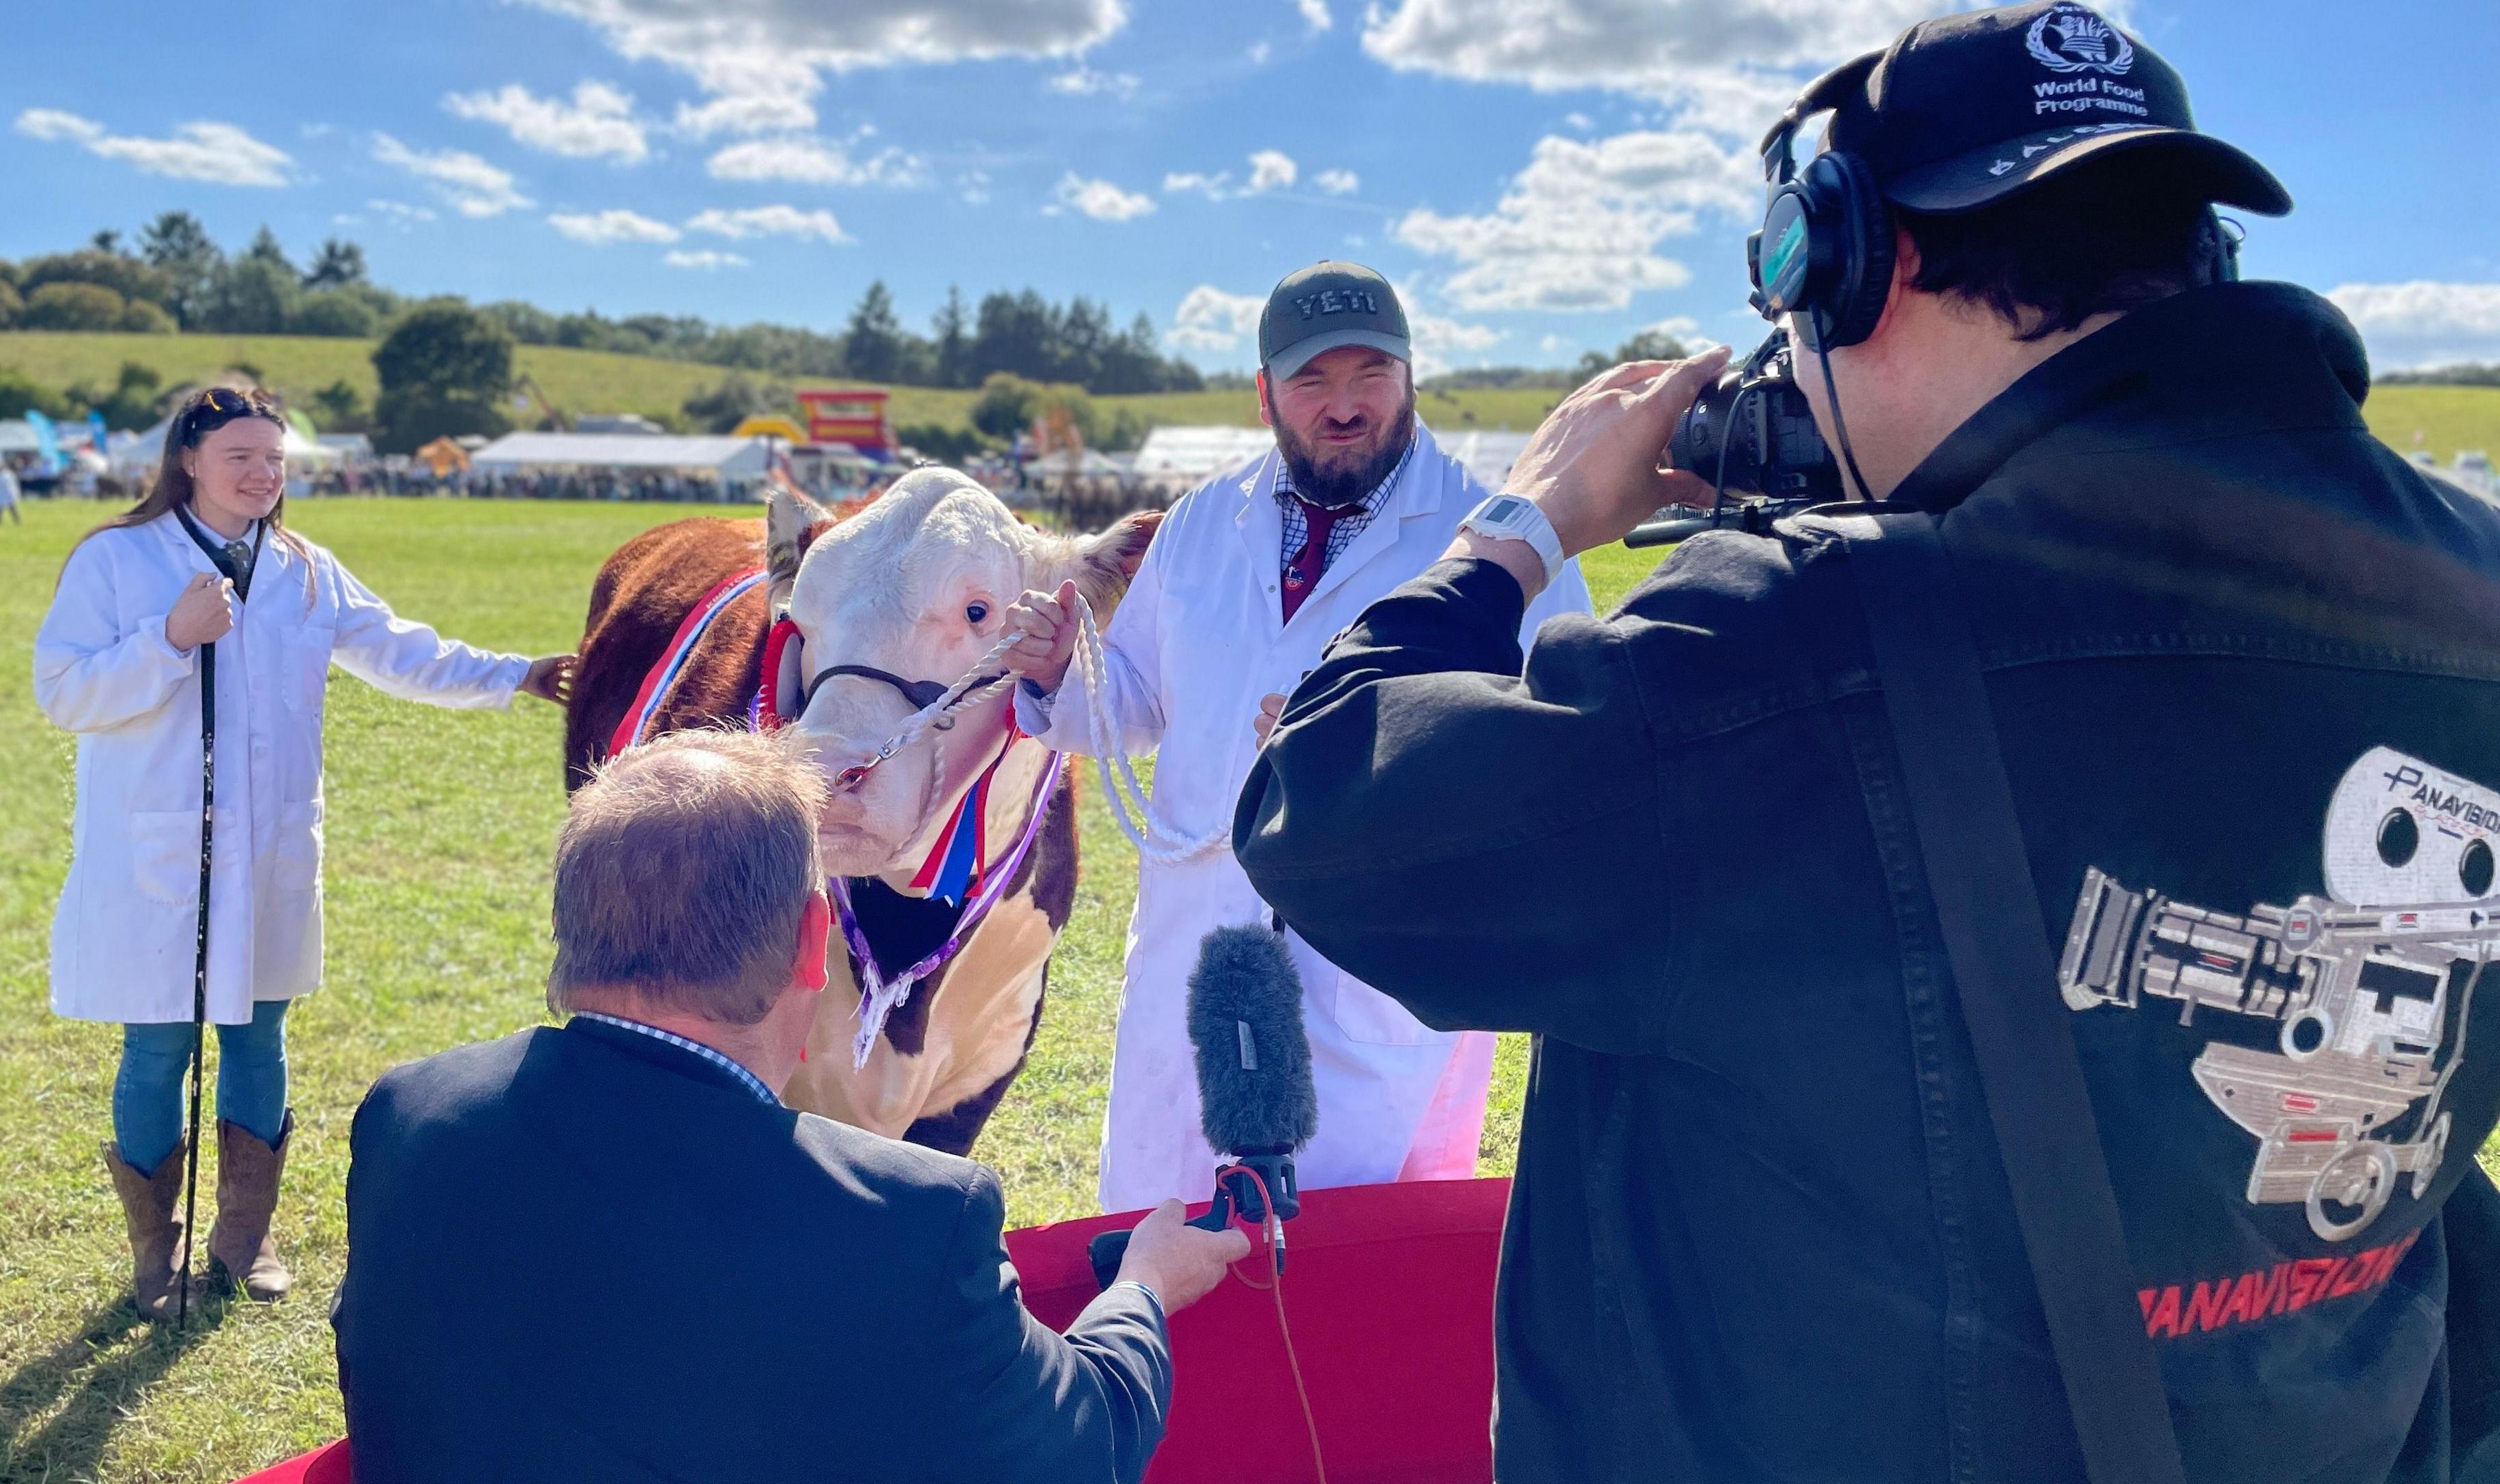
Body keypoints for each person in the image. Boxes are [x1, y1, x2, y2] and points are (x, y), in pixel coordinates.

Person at [1237, 5, 2500, 1479]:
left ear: (1850, 263)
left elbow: (1328, 806)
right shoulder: (2468, 582)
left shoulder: (1795, 643)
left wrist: (1525, 523)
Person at [332, 729, 1247, 1484]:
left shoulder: (407, 1117)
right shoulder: (910, 1223)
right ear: (818, 944)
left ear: (573, 924)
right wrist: (1145, 1286)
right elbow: (1076, 1455)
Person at [997, 261, 1596, 1212]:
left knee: (1345, 1276)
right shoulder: (1200, 523)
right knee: (1162, 1255)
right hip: (1195, 958)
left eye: (1370, 375)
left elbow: (1562, 764)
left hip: (1373, 978)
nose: (1344, 406)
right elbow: (1141, 704)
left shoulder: (1497, 546)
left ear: (1411, 376)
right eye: (1313, 380)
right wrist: (1054, 675)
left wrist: (1375, 752)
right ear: (1266, 390)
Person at [34, 387, 575, 1322]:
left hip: (272, 848)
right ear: (189, 459)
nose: (263, 474)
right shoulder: (117, 560)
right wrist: (169, 638)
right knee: (158, 1047)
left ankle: (245, 1238)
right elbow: (65, 691)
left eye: (276, 459)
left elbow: (404, 652)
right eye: (241, 455)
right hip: (159, 854)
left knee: (258, 1039)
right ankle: (152, 1257)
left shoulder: (305, 572)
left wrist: (512, 676)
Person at [0, 459, 20, 525]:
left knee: (12, 508)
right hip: (0, 494)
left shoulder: (9, 474)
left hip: (8, 494)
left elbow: (14, 485)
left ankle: (17, 521)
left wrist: (16, 493)